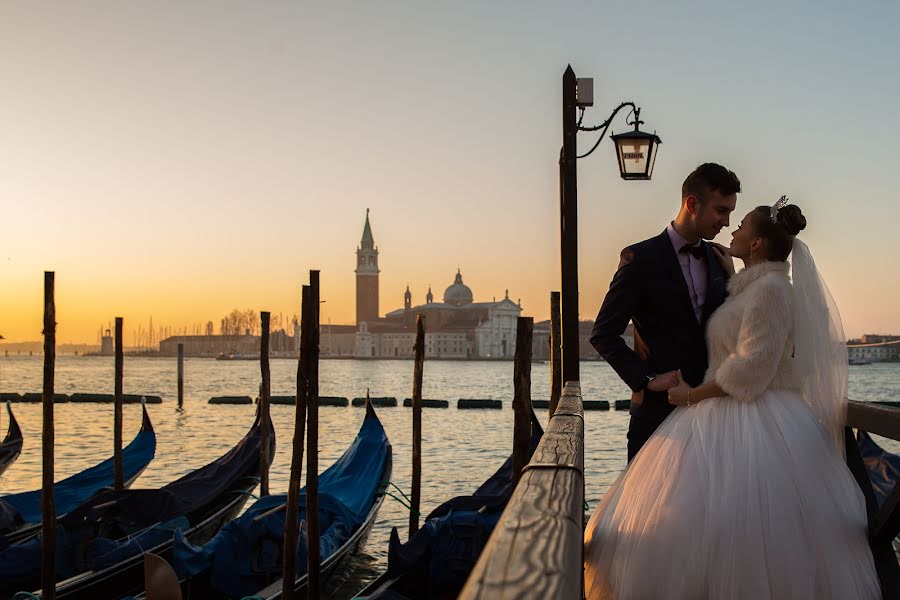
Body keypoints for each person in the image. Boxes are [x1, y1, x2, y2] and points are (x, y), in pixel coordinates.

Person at [584, 200, 880, 599]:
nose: (731, 231)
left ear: (756, 243)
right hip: (727, 414)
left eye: (739, 225)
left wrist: (691, 396)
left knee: (741, 529)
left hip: (753, 418)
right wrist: (735, 273)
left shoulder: (773, 291)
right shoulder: (756, 286)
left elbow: (751, 369)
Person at [590, 163, 740, 461]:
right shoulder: (640, 258)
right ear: (692, 204)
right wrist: (646, 379)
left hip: (711, 413)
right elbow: (604, 334)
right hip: (657, 416)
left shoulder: (719, 259)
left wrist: (734, 279)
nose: (726, 222)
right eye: (721, 211)